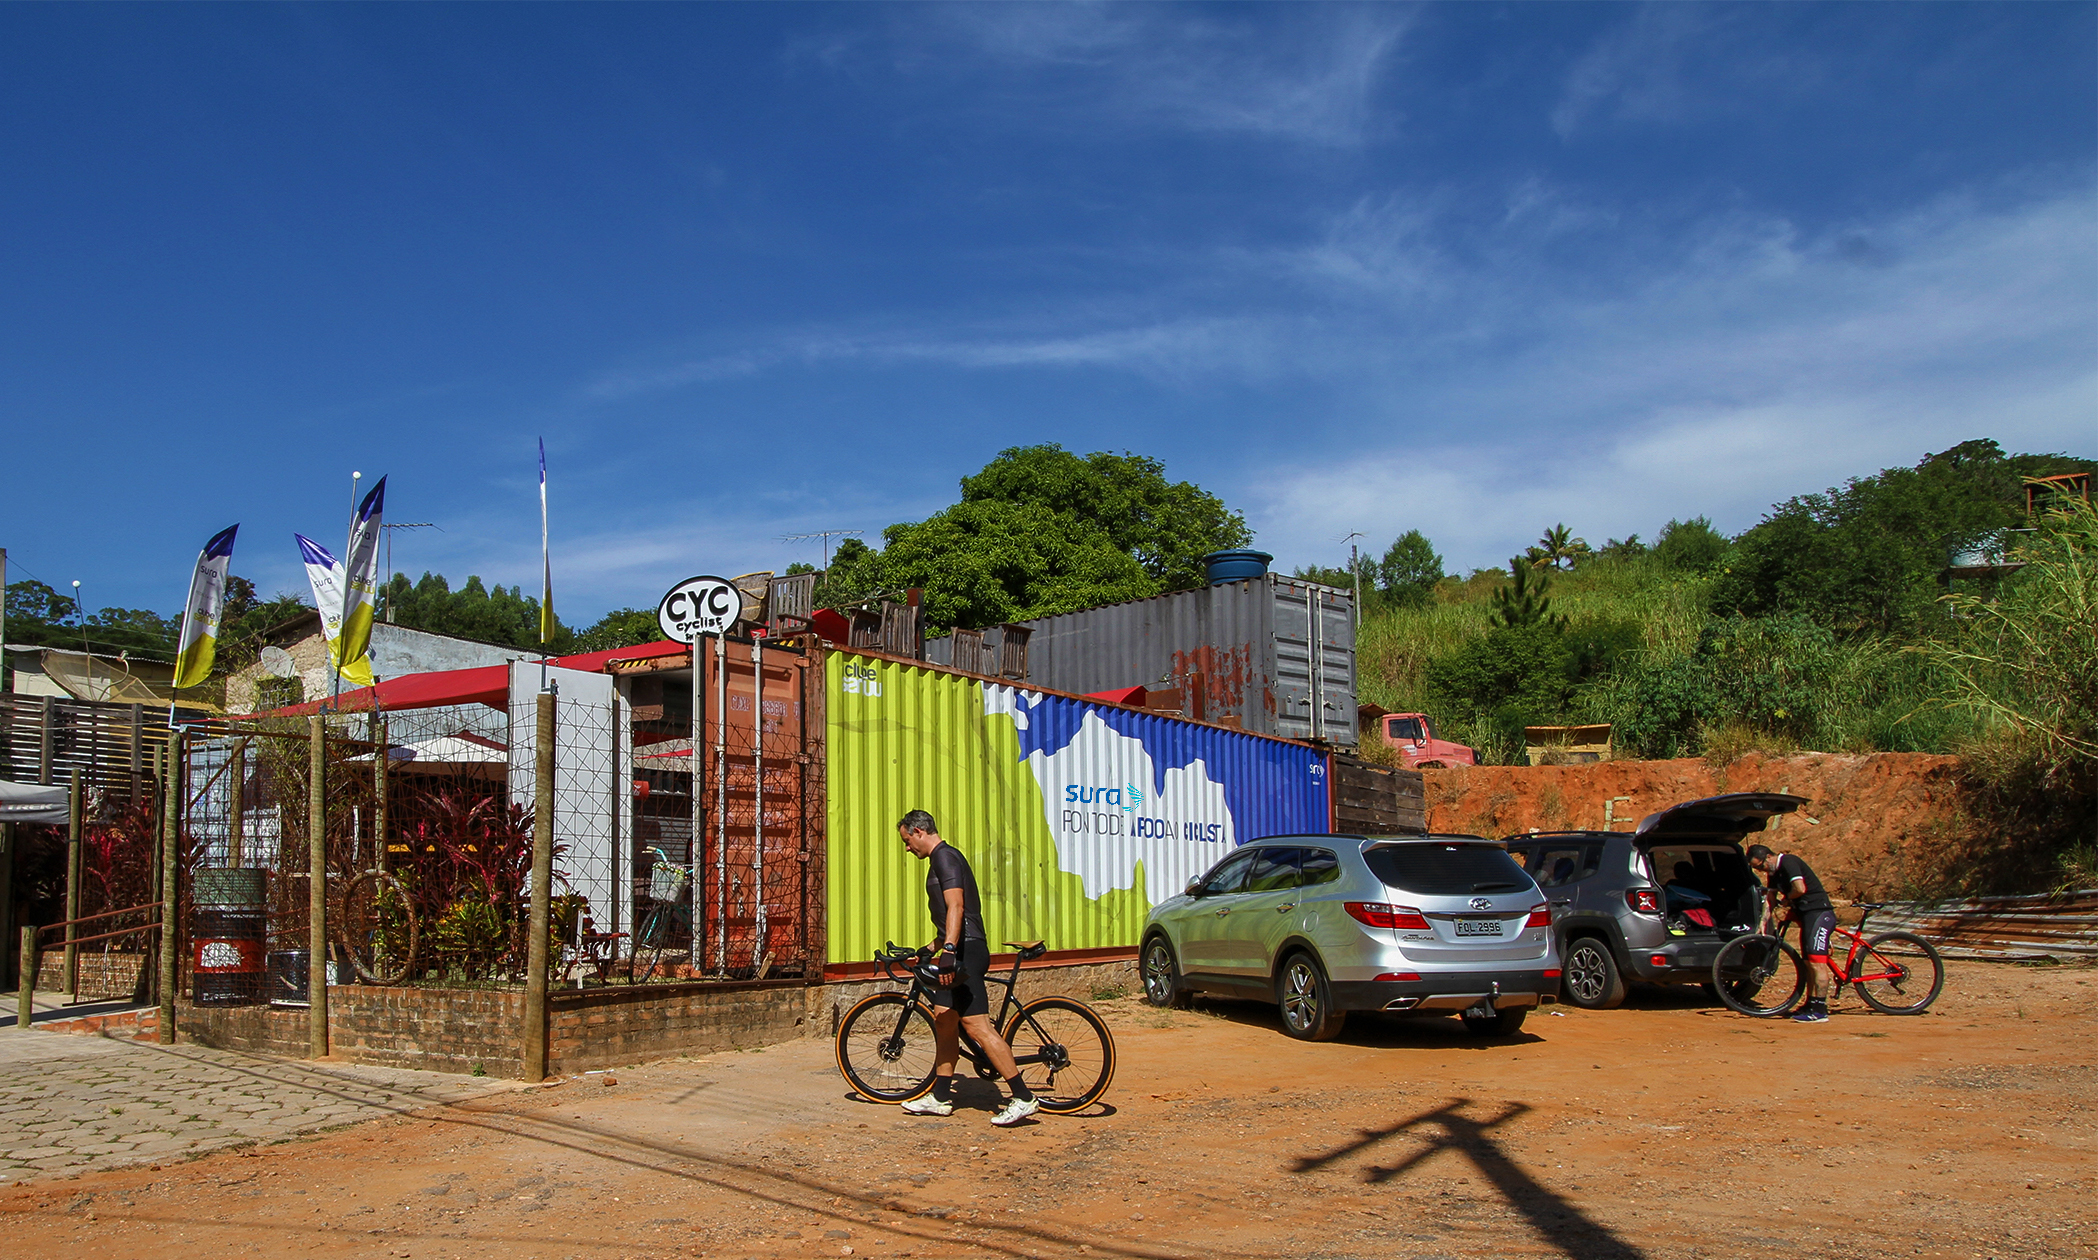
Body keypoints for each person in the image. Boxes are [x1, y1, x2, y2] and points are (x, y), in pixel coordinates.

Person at [895, 809, 1039, 1126]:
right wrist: (929, 948)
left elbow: (957, 906)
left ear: (919, 831)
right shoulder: (940, 860)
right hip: (956, 949)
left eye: (907, 841)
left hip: (967, 952)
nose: (907, 848)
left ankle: (1023, 1097)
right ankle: (941, 1096)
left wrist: (947, 950)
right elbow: (950, 917)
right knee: (944, 1019)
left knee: (976, 1027)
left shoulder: (945, 857)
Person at [1746, 843, 1835, 1022]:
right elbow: (1770, 899)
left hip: (1817, 912)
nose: (1761, 870)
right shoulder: (1773, 873)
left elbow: (1800, 889)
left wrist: (1786, 899)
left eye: (1760, 866)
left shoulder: (1789, 862)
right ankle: (1810, 1003)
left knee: (1817, 962)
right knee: (1807, 962)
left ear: (1769, 857)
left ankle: (1820, 1009)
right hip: (1806, 915)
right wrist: (1763, 924)